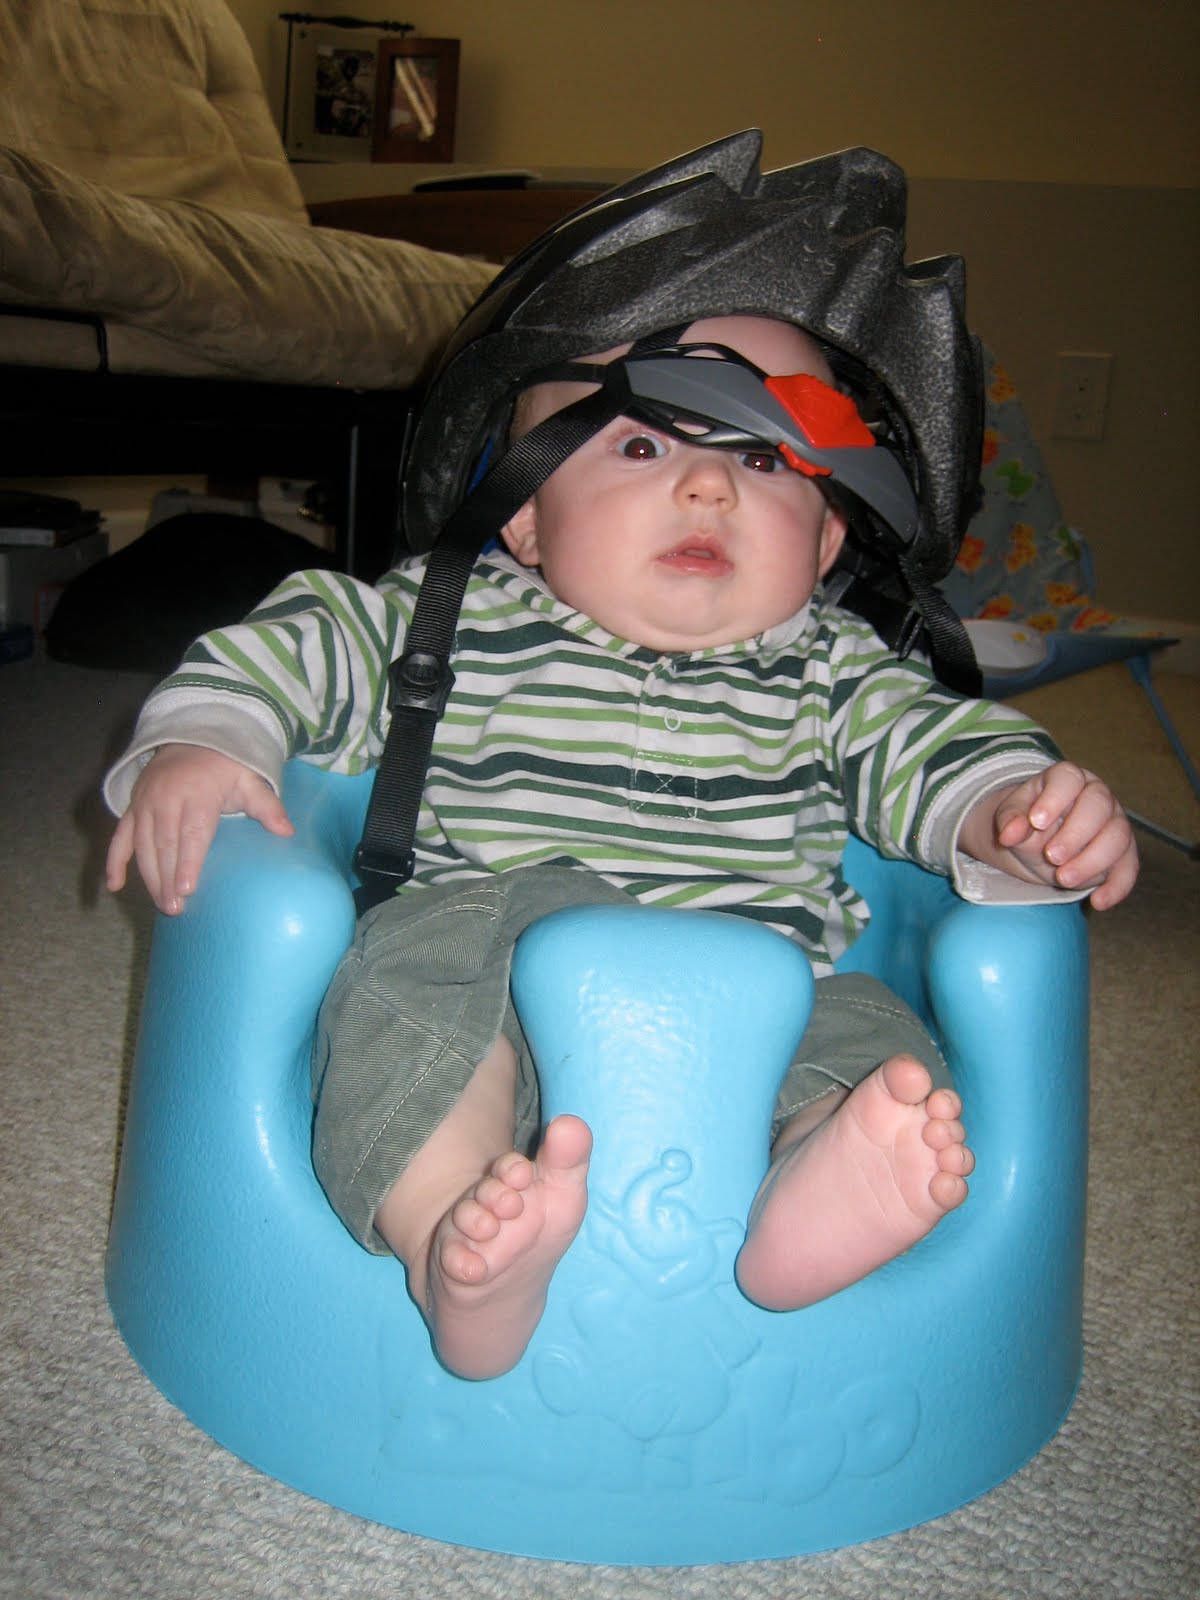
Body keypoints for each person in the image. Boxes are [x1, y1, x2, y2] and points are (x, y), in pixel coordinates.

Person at [103, 139, 1137, 1383]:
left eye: (765, 460)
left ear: (824, 545)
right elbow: (295, 644)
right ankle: (452, 1234)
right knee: (397, 998)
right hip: (486, 983)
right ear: (525, 513)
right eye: (642, 448)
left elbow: (937, 749)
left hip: (767, 1004)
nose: (708, 489)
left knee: (884, 1051)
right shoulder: (447, 623)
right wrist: (207, 738)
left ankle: (809, 1197)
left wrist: (1016, 811)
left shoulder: (833, 671)